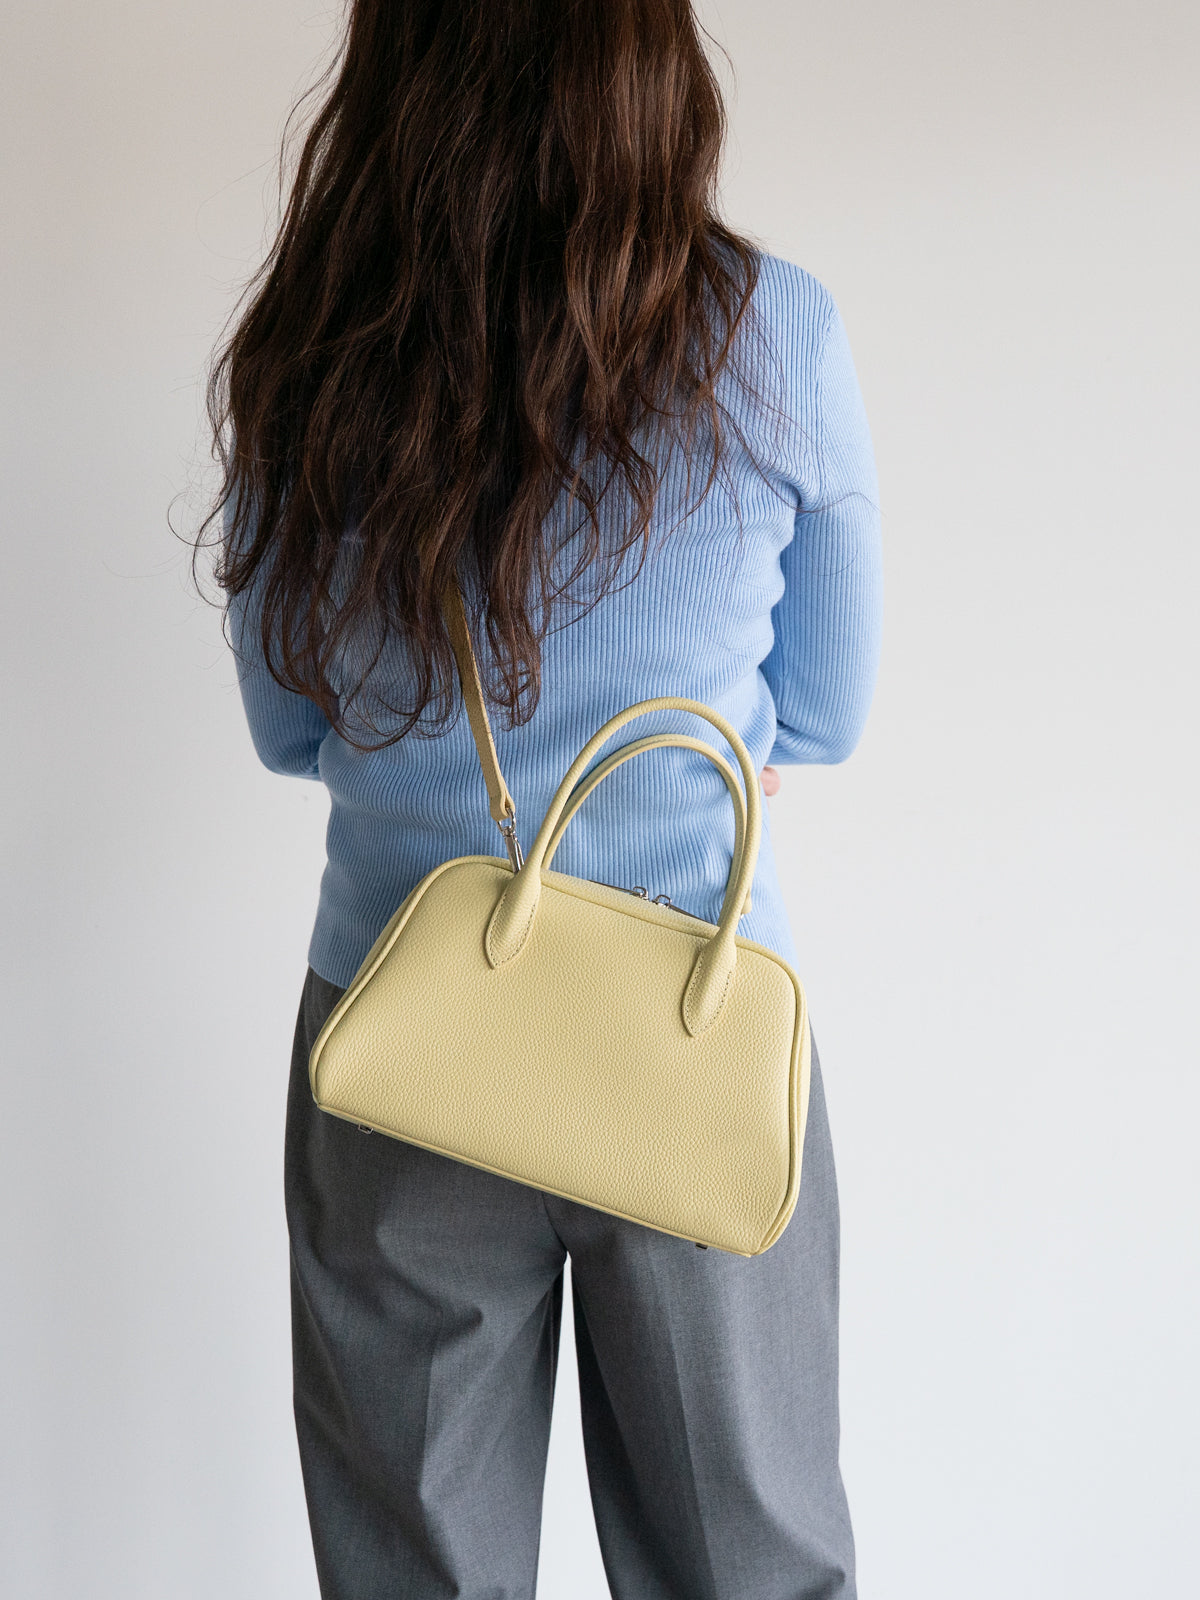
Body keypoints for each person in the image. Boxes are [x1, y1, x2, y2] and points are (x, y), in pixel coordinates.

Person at [204, 2, 881, 1595]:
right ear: (652, 70)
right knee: (751, 1567)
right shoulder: (770, 333)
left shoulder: (310, 353)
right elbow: (826, 712)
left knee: (413, 1572)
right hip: (693, 1031)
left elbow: (289, 731)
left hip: (403, 1025)